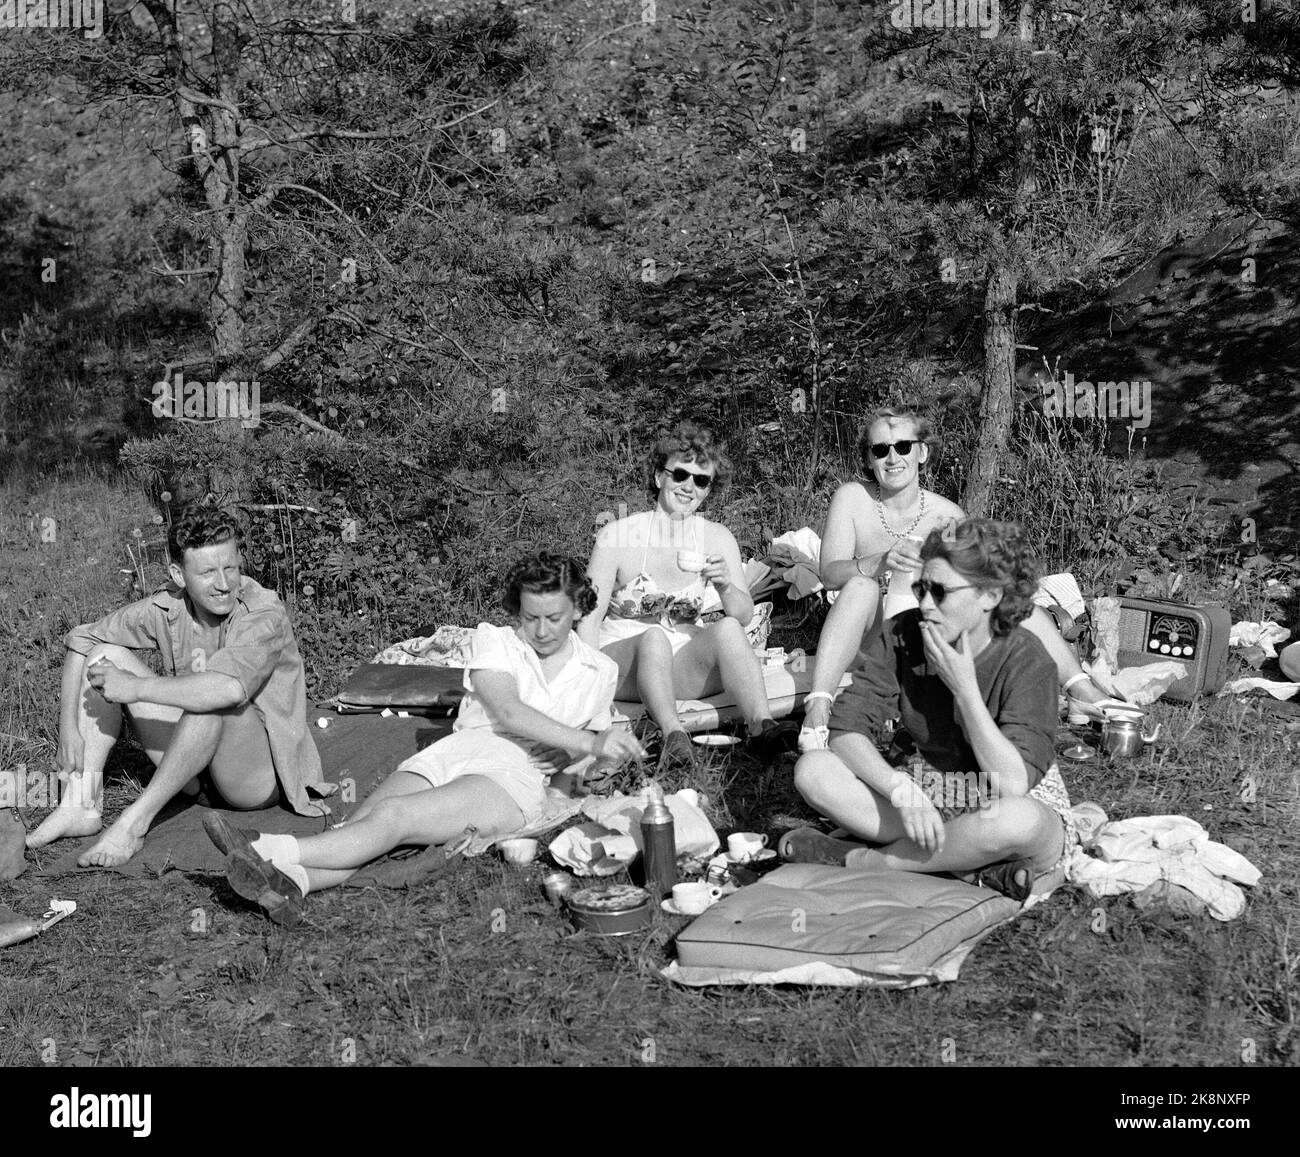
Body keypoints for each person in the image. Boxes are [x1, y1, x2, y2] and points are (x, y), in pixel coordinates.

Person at [205, 552, 645, 925]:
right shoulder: (497, 641)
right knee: (359, 825)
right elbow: (507, 709)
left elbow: (574, 768)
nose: (543, 630)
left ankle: (264, 847)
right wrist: (586, 741)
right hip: (455, 750)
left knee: (394, 817)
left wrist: (576, 768)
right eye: (531, 618)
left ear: (579, 608)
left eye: (555, 618)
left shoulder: (599, 672)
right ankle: (293, 883)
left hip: (513, 776)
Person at [783, 518, 1078, 902]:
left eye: (940, 592)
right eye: (921, 588)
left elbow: (1012, 784)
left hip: (1004, 804)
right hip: (932, 791)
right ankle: (969, 866)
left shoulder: (1028, 660)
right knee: (813, 770)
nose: (924, 604)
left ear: (989, 595)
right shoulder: (904, 634)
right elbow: (845, 729)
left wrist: (966, 691)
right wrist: (899, 789)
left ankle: (876, 863)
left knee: (1015, 822)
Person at [27, 505, 330, 868]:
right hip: (191, 765)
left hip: (253, 777)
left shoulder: (262, 611)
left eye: (230, 568)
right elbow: (82, 640)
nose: (223, 583)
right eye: (207, 572)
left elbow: (229, 690)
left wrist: (136, 689)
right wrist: (67, 730)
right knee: (104, 655)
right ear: (179, 574)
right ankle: (79, 804)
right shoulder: (168, 606)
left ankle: (133, 825)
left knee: (215, 701)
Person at [802, 408, 1108, 747]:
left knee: (1012, 603)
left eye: (903, 446)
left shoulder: (947, 516)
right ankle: (818, 706)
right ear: (869, 459)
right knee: (860, 585)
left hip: (927, 634)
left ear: (922, 452)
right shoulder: (852, 498)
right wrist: (881, 560)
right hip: (869, 635)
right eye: (880, 449)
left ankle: (1081, 689)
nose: (892, 458)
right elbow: (830, 575)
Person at [579, 422, 799, 773]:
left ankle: (762, 725)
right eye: (680, 474)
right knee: (652, 638)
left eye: (701, 480)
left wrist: (727, 585)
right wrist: (588, 694)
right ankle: (673, 735)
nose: (688, 487)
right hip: (624, 665)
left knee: (727, 628)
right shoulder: (617, 536)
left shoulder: (716, 537)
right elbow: (588, 619)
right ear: (658, 477)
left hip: (682, 662)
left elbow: (743, 616)